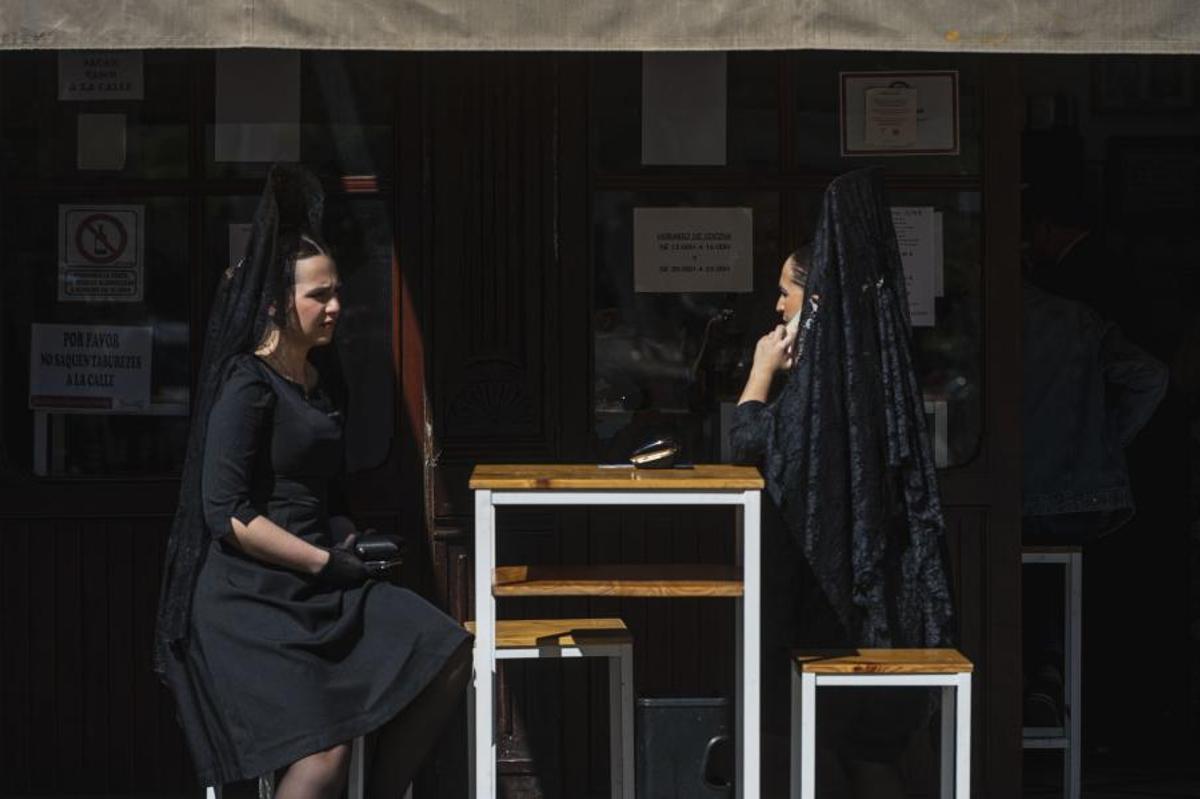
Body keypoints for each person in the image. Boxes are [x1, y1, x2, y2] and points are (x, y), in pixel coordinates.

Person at [154, 164, 471, 797]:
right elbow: (229, 515)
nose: (335, 307)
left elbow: (325, 492)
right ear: (276, 303)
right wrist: (326, 562)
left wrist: (346, 538)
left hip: (321, 583)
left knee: (445, 650)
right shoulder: (246, 385)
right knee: (324, 754)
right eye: (318, 295)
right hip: (251, 597)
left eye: (336, 292)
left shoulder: (320, 381)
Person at [731, 168, 956, 797]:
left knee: (825, 746)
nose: (777, 305)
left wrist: (760, 372)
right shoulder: (880, 363)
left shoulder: (822, 382)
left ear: (816, 299)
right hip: (889, 599)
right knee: (872, 751)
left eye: (786, 291)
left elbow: (750, 445)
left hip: (825, 599)